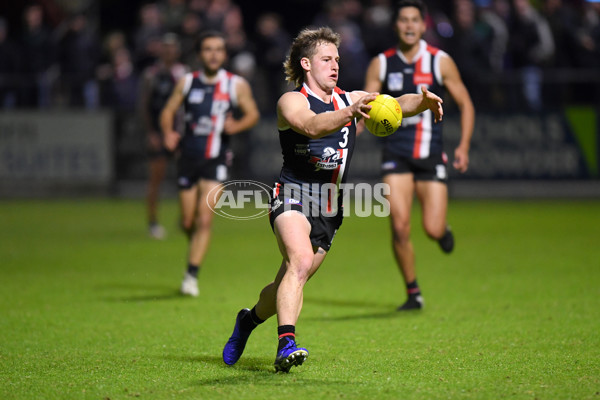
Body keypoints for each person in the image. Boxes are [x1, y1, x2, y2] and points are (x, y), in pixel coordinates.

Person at [222, 26, 443, 372]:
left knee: (287, 282)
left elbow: (395, 104)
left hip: (328, 207)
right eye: (327, 59)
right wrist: (351, 113)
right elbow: (311, 125)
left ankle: (248, 321)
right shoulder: (291, 101)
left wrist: (422, 101)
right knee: (298, 261)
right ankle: (286, 344)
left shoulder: (348, 98)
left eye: (337, 59)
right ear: (307, 64)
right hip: (292, 195)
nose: (335, 65)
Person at [363, 0, 475, 311]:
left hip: (430, 154)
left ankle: (443, 231)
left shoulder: (440, 61)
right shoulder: (381, 63)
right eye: (403, 20)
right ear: (396, 25)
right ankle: (413, 292)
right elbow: (365, 108)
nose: (409, 25)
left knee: (431, 228)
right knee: (399, 225)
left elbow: (466, 104)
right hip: (394, 154)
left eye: (415, 20)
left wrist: (463, 146)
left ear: (423, 25)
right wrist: (353, 129)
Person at [160, 31, 260, 296]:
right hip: (188, 157)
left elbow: (253, 114)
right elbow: (168, 110)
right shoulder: (187, 82)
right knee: (187, 221)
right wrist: (169, 132)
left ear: (225, 54)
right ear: (199, 54)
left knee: (204, 220)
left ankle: (191, 276)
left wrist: (235, 125)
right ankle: (194, 246)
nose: (213, 54)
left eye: (218, 49)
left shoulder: (235, 84)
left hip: (216, 158)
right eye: (207, 49)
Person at [139, 33, 189, 239]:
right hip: (159, 135)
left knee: (186, 179)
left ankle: (184, 219)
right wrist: (151, 132)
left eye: (172, 47)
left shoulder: (183, 74)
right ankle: (152, 222)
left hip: (179, 134)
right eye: (165, 47)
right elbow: (144, 105)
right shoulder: (152, 74)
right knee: (156, 178)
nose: (169, 51)